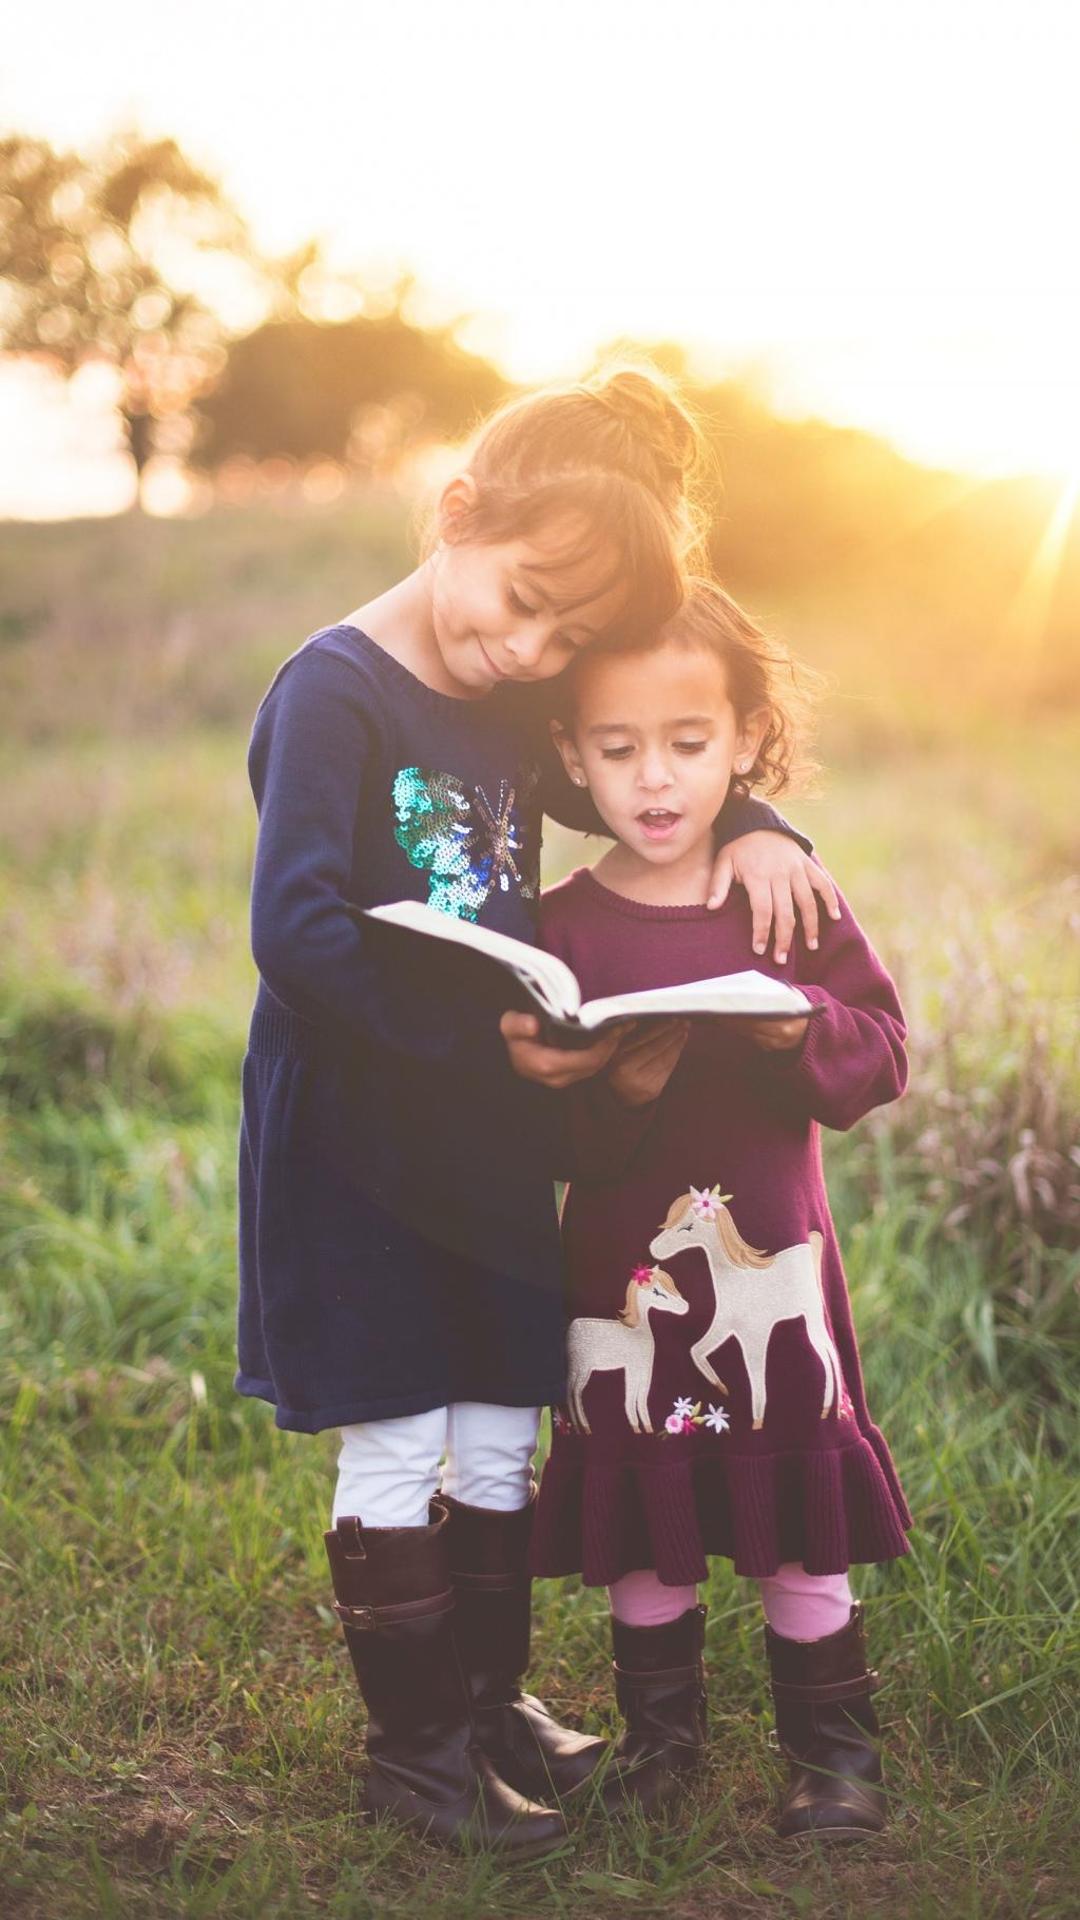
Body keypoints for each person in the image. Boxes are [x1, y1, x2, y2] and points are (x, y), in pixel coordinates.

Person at [236, 368, 836, 1858]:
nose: (531, 650)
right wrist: (473, 1042)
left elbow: (633, 779)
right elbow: (297, 932)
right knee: (397, 1432)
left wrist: (755, 817)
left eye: (566, 639)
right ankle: (417, 1757)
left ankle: (491, 1708)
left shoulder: (510, 697)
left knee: (503, 1424)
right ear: (455, 516)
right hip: (359, 1137)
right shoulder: (334, 688)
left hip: (490, 1137)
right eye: (522, 606)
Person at [529, 578, 911, 1842]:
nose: (653, 779)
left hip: (773, 1266)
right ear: (571, 755)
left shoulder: (784, 894)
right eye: (617, 748)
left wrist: (796, 1024)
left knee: (797, 1516)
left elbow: (881, 1054)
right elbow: (538, 1132)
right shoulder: (561, 930)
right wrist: (616, 1089)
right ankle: (661, 1744)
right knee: (645, 1512)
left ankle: (832, 1755)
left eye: (688, 745)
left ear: (745, 741)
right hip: (622, 1276)